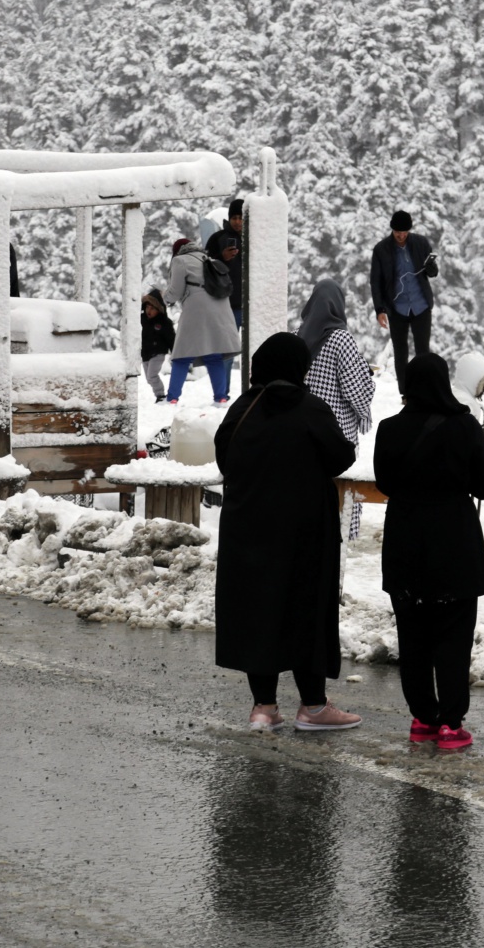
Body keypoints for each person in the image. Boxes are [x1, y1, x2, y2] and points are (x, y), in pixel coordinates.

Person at [215, 333, 362, 732]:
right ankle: (313, 707)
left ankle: (263, 708)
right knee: (305, 612)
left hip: (247, 531)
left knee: (257, 613)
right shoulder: (310, 408)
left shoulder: (242, 409)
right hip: (304, 534)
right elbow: (340, 455)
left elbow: (224, 457)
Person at [373, 352, 484, 751]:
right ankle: (451, 724)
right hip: (454, 540)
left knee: (412, 633)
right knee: (453, 635)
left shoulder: (389, 429)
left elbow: (386, 483)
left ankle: (423, 718)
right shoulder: (464, 426)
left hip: (405, 538)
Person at [299, 279, 375, 541]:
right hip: (336, 430)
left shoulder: (301, 335)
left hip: (305, 427)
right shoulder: (341, 338)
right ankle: (340, 537)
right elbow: (356, 390)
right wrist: (368, 382)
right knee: (339, 489)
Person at [368, 210, 438, 396]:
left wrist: (431, 268)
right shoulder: (381, 249)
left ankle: (424, 393)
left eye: (405, 232)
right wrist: (380, 309)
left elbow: (432, 273)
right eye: (398, 232)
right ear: (392, 229)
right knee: (401, 353)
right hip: (396, 308)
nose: (401, 236)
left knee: (423, 352)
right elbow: (376, 282)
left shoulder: (421, 243)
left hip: (421, 305)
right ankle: (406, 394)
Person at [164, 238, 238, 404]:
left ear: (177, 251)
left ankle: (172, 398)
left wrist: (164, 297)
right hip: (221, 307)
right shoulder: (209, 259)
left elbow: (175, 292)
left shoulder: (179, 260)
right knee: (214, 354)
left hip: (196, 308)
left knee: (182, 354)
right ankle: (220, 398)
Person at [204, 199, 245, 327]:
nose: (237, 222)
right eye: (234, 218)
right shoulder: (217, 238)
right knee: (228, 344)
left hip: (252, 303)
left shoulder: (254, 237)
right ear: (229, 218)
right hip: (226, 302)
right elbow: (205, 266)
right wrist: (221, 258)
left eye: (240, 218)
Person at [140, 289, 176, 403]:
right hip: (145, 354)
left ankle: (160, 395)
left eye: (152, 308)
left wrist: (175, 352)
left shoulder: (164, 323)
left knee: (152, 375)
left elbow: (171, 339)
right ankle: (159, 394)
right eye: (147, 308)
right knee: (149, 379)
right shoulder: (141, 320)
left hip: (158, 353)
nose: (148, 311)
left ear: (159, 309)